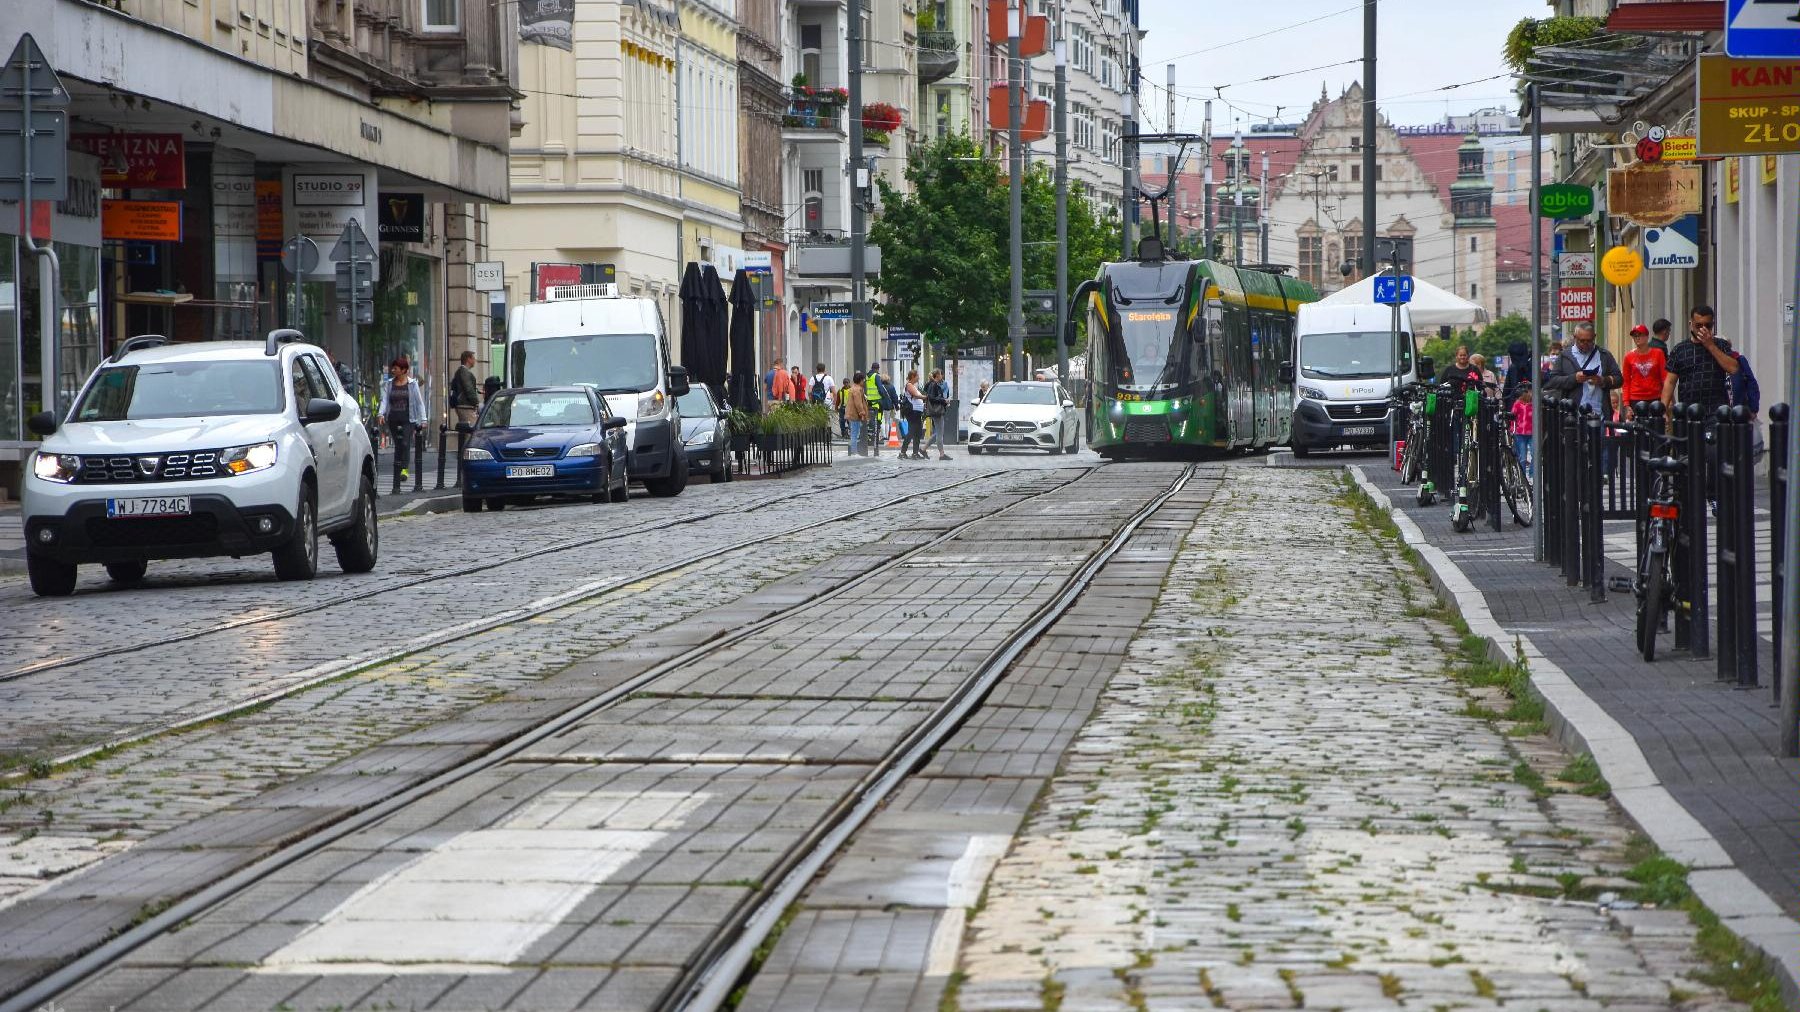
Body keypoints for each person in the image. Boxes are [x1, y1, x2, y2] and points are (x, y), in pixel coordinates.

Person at [1661, 306, 1737, 421]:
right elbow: (1670, 382)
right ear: (1691, 324)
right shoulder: (1679, 349)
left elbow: (1733, 368)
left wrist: (1710, 346)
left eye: (1707, 325)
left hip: (1715, 412)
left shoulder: (1721, 345)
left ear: (1712, 325)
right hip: (1688, 413)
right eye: (1698, 326)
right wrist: (1663, 410)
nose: (1703, 329)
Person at [376, 356, 428, 494]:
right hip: (393, 418)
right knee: (398, 444)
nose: (393, 370)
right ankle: (397, 468)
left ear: (404, 370)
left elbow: (419, 402)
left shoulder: (412, 384)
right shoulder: (389, 384)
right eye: (393, 368)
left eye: (396, 368)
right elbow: (385, 401)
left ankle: (404, 468)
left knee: (405, 442)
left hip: (407, 418)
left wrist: (423, 419)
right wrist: (381, 414)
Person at [1620, 324, 1666, 422]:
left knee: (1656, 427)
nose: (1637, 338)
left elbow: (1664, 378)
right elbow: (1626, 382)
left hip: (1655, 397)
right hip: (1635, 398)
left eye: (1640, 335)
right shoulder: (1629, 357)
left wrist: (1666, 400)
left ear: (1647, 336)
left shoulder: (1658, 353)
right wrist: (1626, 404)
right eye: (1635, 336)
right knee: (1639, 429)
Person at [923, 368, 951, 460]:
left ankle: (923, 449)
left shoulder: (931, 384)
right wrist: (944, 400)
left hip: (935, 411)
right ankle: (942, 454)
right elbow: (932, 398)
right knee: (939, 434)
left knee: (938, 433)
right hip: (937, 411)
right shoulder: (934, 385)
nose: (941, 376)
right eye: (940, 374)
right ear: (938, 375)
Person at [450, 351, 481, 430]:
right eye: (473, 358)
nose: (475, 360)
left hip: (464, 405)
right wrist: (476, 402)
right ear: (468, 359)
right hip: (465, 406)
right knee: (472, 430)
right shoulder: (464, 372)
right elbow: (468, 388)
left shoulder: (462, 371)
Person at [1510, 384, 1534, 481]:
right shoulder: (1517, 404)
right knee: (1522, 457)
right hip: (1520, 433)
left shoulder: (1534, 404)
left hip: (1532, 433)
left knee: (1535, 454)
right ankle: (1523, 478)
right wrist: (1512, 429)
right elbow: (1512, 417)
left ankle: (1532, 474)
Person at [901, 370, 926, 460]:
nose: (918, 377)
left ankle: (915, 453)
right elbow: (915, 395)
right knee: (912, 431)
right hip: (912, 412)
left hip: (917, 412)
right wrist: (926, 397)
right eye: (917, 376)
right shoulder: (909, 385)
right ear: (913, 376)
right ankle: (902, 452)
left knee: (918, 432)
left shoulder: (913, 386)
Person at [844, 371, 870, 455]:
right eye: (863, 380)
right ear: (860, 380)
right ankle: (854, 452)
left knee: (854, 433)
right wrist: (862, 413)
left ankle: (853, 451)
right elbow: (858, 403)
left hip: (853, 414)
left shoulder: (854, 388)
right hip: (855, 415)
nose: (864, 382)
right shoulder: (857, 390)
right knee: (855, 434)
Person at [1501, 341, 1532, 406]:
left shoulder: (1513, 367)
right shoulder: (1531, 365)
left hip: (1515, 405)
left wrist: (1504, 401)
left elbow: (1508, 387)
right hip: (1531, 405)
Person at [863, 369, 886, 456]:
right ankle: (875, 436)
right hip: (876, 402)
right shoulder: (876, 376)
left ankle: (872, 435)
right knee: (877, 420)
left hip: (868, 402)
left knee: (870, 420)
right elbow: (880, 388)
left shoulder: (866, 376)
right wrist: (883, 396)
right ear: (877, 369)